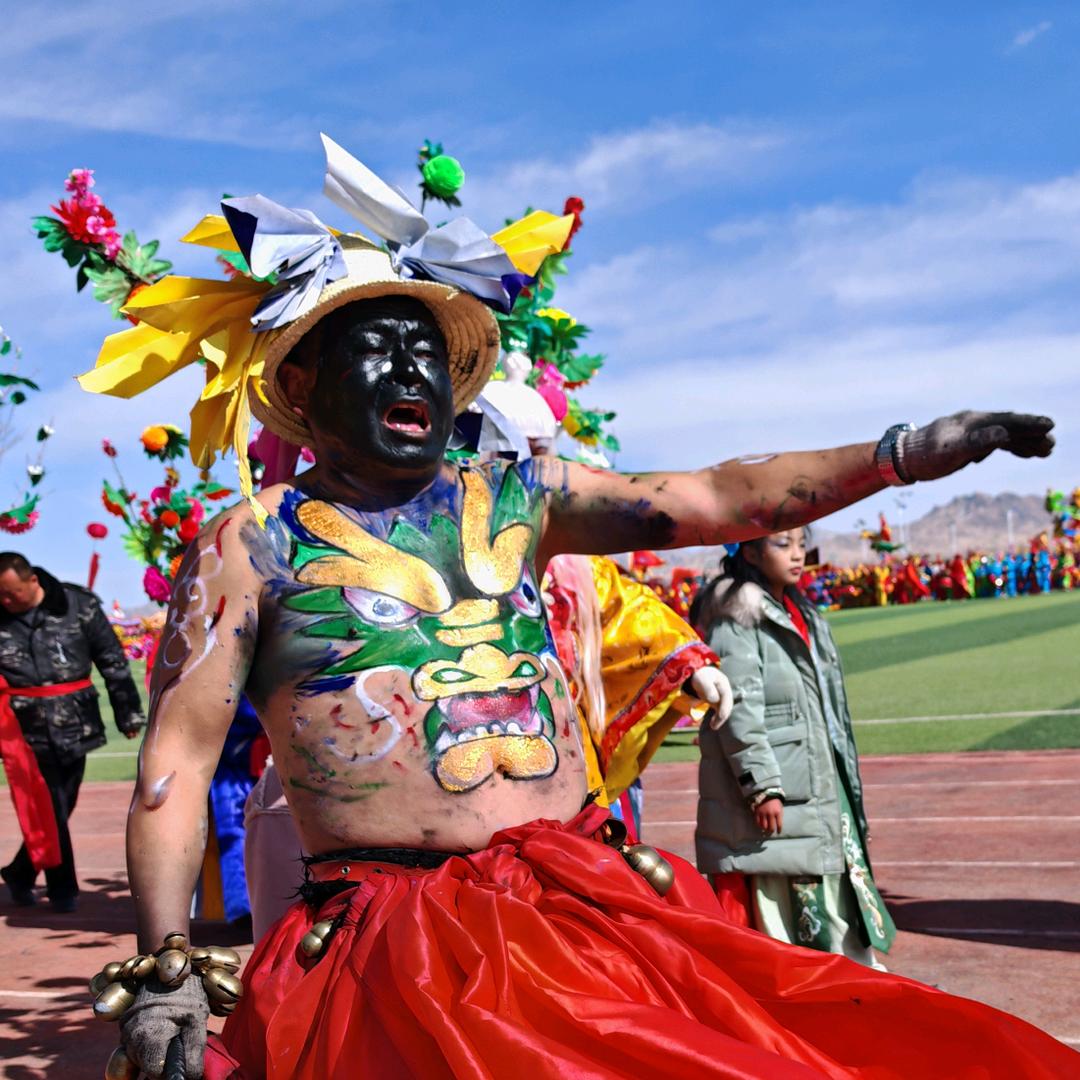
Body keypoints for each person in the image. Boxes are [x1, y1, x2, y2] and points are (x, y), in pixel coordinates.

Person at [81, 138, 1071, 1078]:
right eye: (379, 351)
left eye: (429, 353)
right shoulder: (250, 544)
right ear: (301, 383)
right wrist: (167, 967)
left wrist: (909, 452)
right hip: (397, 948)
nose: (414, 370)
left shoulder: (519, 501)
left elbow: (719, 496)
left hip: (581, 909)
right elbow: (175, 761)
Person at [692, 529, 895, 968]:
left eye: (802, 543)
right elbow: (738, 705)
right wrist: (762, 786)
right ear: (748, 550)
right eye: (783, 544)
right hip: (780, 790)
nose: (798, 554)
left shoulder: (798, 611)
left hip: (816, 779)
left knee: (831, 891)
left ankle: (849, 989)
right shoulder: (736, 617)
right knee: (785, 904)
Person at [0, 552, 144, 912]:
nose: (5, 601)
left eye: (11, 593)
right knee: (53, 803)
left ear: (32, 580)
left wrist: (128, 713)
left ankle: (20, 872)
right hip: (22, 727)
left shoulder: (78, 605)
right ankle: (63, 889)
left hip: (75, 722)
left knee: (64, 801)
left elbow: (111, 660)